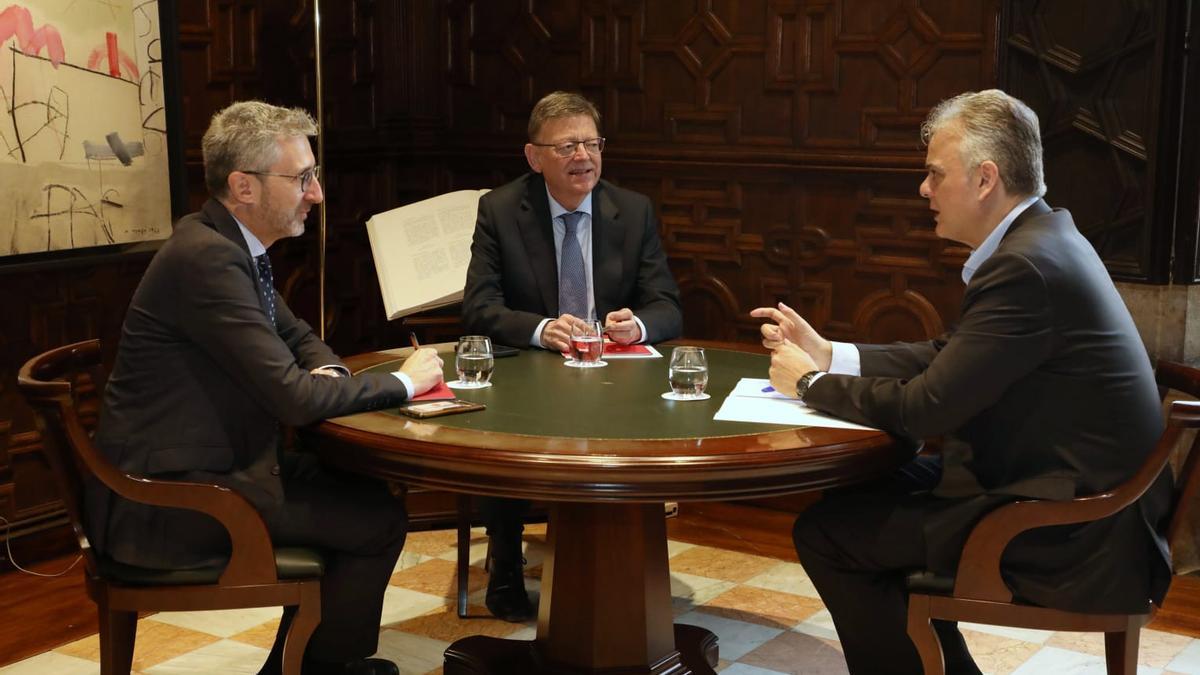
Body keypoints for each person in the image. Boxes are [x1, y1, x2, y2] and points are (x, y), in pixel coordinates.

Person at [752, 89, 1171, 675]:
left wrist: (811, 384)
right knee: (858, 496)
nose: (924, 190)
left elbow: (927, 410)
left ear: (984, 179)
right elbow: (950, 356)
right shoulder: (1047, 239)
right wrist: (831, 353)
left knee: (828, 534)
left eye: (934, 174)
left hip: (1070, 531)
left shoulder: (1024, 266)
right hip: (1079, 501)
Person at [85, 101, 444, 675]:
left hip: (212, 469)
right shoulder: (208, 259)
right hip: (169, 501)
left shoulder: (225, 246)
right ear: (243, 187)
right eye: (302, 177)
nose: (317, 193)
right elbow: (293, 400)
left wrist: (329, 372)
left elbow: (298, 336)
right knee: (375, 523)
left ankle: (303, 666)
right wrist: (403, 381)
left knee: (365, 496)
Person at [461, 91, 683, 620]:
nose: (583, 156)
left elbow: (668, 305)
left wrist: (638, 325)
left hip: (613, 376)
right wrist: (541, 329)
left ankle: (621, 561)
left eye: (592, 143)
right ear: (534, 157)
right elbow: (478, 307)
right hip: (532, 370)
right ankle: (507, 557)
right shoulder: (500, 209)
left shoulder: (630, 209)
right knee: (504, 433)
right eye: (567, 146)